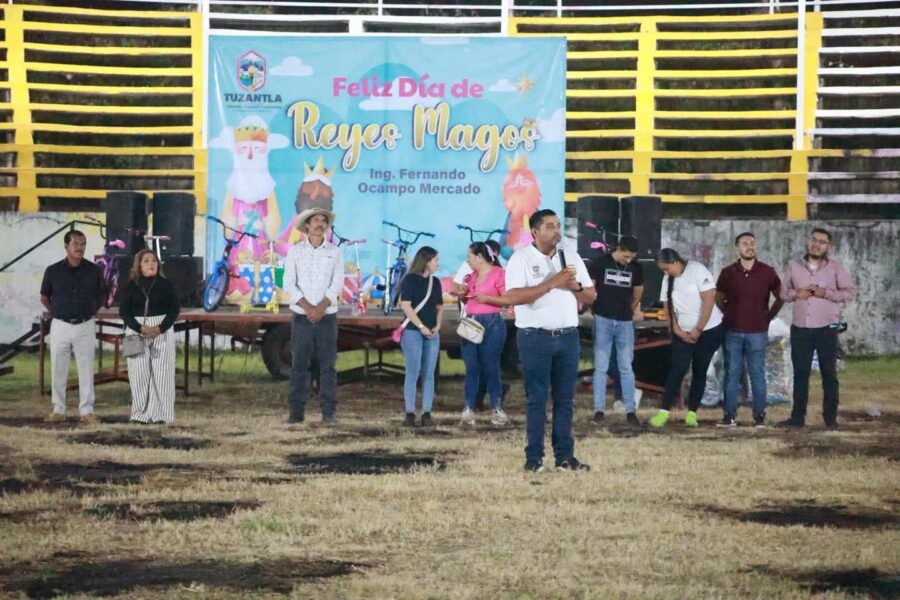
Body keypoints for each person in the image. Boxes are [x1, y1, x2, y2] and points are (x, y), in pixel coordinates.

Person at [505, 209, 596, 472]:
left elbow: (591, 296)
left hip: (568, 337)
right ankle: (534, 459)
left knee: (565, 400)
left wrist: (575, 287)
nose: (557, 231)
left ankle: (565, 457)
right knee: (537, 399)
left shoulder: (571, 257)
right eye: (550, 226)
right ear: (535, 232)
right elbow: (514, 297)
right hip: (535, 338)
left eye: (558, 225)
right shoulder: (521, 259)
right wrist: (552, 282)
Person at [779, 228, 855, 429]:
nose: (817, 244)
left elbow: (849, 293)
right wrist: (797, 294)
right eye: (814, 240)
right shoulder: (795, 266)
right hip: (800, 329)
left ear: (828, 246)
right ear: (808, 242)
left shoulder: (835, 268)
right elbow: (783, 293)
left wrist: (826, 293)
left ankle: (830, 419)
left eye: (822, 242)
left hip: (826, 329)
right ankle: (797, 418)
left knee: (829, 374)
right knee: (800, 374)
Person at [648, 248, 724, 428]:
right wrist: (676, 328)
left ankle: (692, 413)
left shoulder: (697, 270)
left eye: (667, 268)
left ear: (675, 262)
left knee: (700, 370)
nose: (666, 273)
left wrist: (698, 329)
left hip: (708, 330)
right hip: (682, 332)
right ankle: (663, 412)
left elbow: (709, 301)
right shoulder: (668, 279)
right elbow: (667, 305)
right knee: (678, 368)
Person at [715, 232, 783, 428]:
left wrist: (768, 317)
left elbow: (781, 296)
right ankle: (729, 415)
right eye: (745, 243)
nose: (749, 246)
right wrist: (730, 313)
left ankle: (759, 415)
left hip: (757, 331)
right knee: (732, 373)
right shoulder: (728, 272)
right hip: (732, 331)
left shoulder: (767, 272)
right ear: (737, 248)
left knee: (757, 373)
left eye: (752, 243)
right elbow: (719, 298)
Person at [283, 207, 344, 423]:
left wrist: (320, 308)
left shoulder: (334, 252)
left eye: (323, 221)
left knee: (328, 366)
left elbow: (337, 284)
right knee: (299, 364)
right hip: (302, 316)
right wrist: (310, 308)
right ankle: (296, 412)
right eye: (315, 220)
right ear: (307, 225)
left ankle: (328, 412)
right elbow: (289, 284)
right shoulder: (295, 252)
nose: (320, 224)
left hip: (327, 316)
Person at [40, 230, 104, 424]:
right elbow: (44, 297)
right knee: (58, 367)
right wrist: (57, 313)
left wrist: (90, 311)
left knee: (86, 368)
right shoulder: (53, 271)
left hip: (85, 324)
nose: (80, 247)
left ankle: (87, 410)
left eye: (83, 244)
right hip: (60, 325)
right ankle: (58, 409)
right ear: (66, 246)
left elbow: (101, 296)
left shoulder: (94, 270)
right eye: (76, 243)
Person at [587, 235, 644, 426]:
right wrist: (594, 307)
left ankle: (630, 410)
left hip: (624, 320)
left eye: (631, 258)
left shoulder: (636, 268)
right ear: (618, 249)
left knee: (626, 367)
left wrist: (630, 308)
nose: (628, 261)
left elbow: (638, 291)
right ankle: (599, 409)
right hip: (603, 317)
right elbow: (590, 288)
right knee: (601, 366)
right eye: (626, 256)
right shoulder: (600, 263)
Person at [118, 250, 180, 424]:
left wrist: (160, 327)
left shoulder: (166, 284)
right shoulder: (130, 286)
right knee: (137, 373)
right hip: (135, 331)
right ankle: (139, 414)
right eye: (146, 261)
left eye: (154, 260)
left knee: (163, 373)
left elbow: (174, 309)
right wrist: (139, 328)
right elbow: (124, 312)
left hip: (161, 329)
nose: (151, 264)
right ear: (139, 265)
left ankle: (163, 415)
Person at [452, 239, 508, 409]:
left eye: (469, 256)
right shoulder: (471, 277)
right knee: (471, 367)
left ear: (479, 257)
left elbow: (507, 299)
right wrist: (463, 295)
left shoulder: (499, 274)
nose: (467, 260)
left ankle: (496, 405)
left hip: (492, 323)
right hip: (471, 322)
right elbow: (468, 299)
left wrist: (487, 299)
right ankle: (469, 406)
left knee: (491, 366)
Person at [399, 246, 444, 427]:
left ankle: (426, 412)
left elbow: (439, 307)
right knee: (413, 371)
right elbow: (406, 306)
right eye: (435, 260)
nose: (438, 264)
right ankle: (410, 412)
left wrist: (437, 325)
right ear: (426, 261)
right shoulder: (409, 280)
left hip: (432, 332)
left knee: (429, 373)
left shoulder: (436, 282)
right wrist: (421, 326)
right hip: (412, 331)